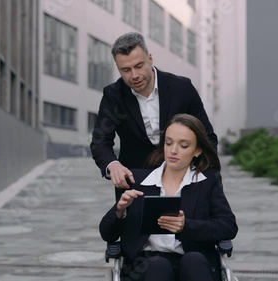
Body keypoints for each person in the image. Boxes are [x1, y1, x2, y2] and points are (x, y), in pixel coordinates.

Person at [99, 114, 238, 281]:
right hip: (145, 264)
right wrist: (120, 210)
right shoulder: (137, 180)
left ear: (197, 150)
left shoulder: (207, 182)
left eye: (184, 145)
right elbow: (107, 234)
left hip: (194, 260)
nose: (173, 151)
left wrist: (186, 226)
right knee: (158, 265)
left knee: (193, 261)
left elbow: (228, 226)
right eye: (169, 143)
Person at [90, 32, 217, 189]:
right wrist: (113, 165)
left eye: (139, 66)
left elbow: (207, 137)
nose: (134, 75)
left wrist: (198, 172)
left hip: (184, 178)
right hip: (135, 180)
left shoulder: (182, 88)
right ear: (118, 68)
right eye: (126, 70)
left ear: (150, 59)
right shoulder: (113, 95)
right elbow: (100, 141)